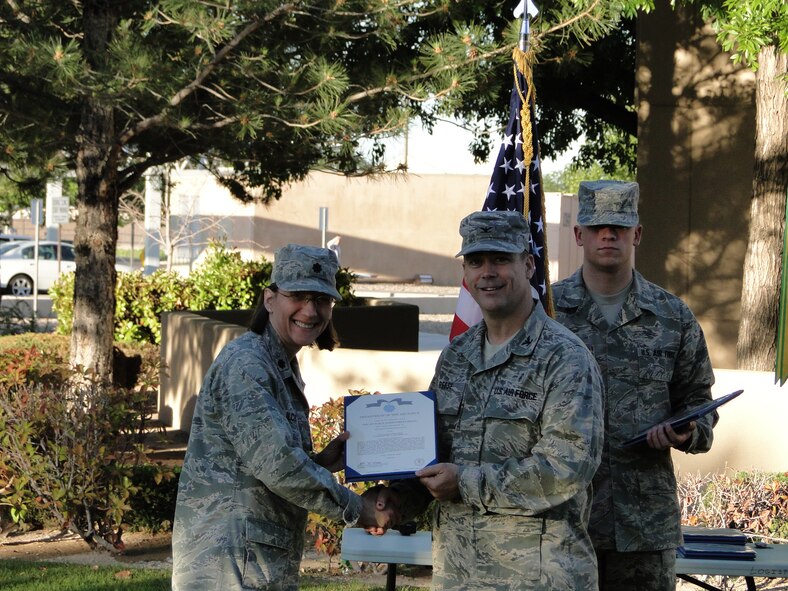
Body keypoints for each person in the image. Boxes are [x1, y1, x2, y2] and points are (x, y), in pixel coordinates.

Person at [380, 210, 605, 590]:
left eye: (501, 259)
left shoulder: (564, 358)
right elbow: (432, 455)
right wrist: (396, 500)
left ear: (529, 264)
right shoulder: (456, 357)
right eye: (475, 260)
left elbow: (568, 468)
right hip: (458, 574)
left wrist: (465, 483)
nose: (488, 272)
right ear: (465, 273)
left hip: (538, 578)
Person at [172, 243, 395, 591]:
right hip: (228, 567)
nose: (310, 310)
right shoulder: (247, 366)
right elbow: (278, 466)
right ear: (270, 298)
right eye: (298, 296)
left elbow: (261, 463)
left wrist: (319, 462)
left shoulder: (277, 363)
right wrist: (358, 509)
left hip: (250, 562)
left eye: (322, 299)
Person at [552, 180, 717, 591]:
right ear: (579, 235)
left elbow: (699, 401)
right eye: (597, 226)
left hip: (644, 527)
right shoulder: (547, 314)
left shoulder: (672, 316)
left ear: (637, 234)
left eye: (620, 227)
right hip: (563, 523)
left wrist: (688, 430)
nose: (609, 234)